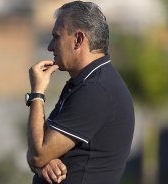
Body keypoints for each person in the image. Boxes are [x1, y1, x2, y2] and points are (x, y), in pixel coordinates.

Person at [25, 1, 135, 184]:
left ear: (78, 40)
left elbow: (37, 154)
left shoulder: (97, 90)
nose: (50, 47)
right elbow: (37, 152)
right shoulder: (87, 83)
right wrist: (43, 163)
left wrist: (37, 93)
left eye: (56, 37)